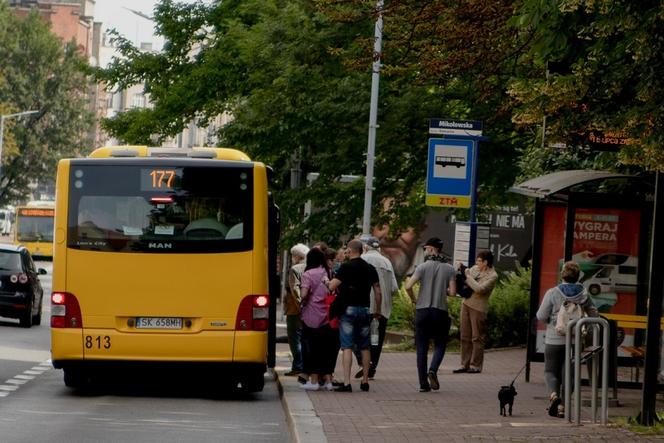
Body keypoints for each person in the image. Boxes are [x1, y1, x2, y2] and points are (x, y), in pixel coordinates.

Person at [536, 261, 598, 418]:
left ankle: (553, 396)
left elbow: (541, 316)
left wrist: (552, 321)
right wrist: (585, 330)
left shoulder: (552, 292)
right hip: (575, 342)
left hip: (554, 339)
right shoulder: (584, 294)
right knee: (569, 374)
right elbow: (594, 315)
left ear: (562, 275)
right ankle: (562, 405)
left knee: (550, 371)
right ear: (578, 276)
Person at [326, 239, 382, 392]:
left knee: (347, 346)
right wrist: (377, 309)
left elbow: (332, 286)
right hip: (365, 309)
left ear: (350, 251)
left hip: (348, 310)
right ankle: (365, 381)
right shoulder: (370, 268)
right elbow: (378, 290)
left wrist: (326, 281)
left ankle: (347, 383)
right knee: (365, 346)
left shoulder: (346, 267)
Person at [405, 237, 456, 392]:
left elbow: (408, 286)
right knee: (440, 343)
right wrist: (443, 290)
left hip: (422, 310)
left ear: (432, 249)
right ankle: (433, 369)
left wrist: (414, 299)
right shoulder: (449, 268)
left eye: (426, 248)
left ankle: (423, 384)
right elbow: (453, 293)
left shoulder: (422, 267)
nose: (425, 251)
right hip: (440, 311)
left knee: (421, 347)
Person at [354, 235, 399, 380]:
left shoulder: (362, 261)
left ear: (365, 247)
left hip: (364, 304)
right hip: (383, 308)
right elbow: (394, 288)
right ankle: (372, 369)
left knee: (359, 336)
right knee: (377, 339)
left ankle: (363, 363)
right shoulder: (387, 262)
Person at [453, 250, 498, 374]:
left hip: (478, 308)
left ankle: (475, 365)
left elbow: (480, 289)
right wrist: (461, 271)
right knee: (464, 336)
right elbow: (464, 280)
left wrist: (467, 276)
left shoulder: (493, 275)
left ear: (486, 262)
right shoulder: (474, 269)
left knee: (477, 337)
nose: (476, 263)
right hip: (466, 304)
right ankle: (464, 364)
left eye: (479, 261)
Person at [299, 248, 337, 390]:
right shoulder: (328, 272)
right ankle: (328, 381)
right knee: (326, 349)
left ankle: (314, 381)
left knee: (312, 348)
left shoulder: (308, 274)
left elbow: (303, 294)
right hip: (327, 315)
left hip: (311, 315)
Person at [284, 243, 309, 377]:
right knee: (305, 339)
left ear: (297, 256)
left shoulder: (295, 269)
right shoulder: (313, 267)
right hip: (311, 309)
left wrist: (301, 305)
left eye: (293, 255)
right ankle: (303, 365)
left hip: (295, 309)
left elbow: (294, 290)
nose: (292, 258)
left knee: (294, 338)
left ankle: (298, 366)